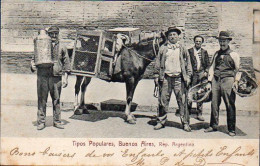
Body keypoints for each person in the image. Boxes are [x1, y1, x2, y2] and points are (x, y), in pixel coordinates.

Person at [31, 26, 71, 130]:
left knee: (56, 100)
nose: (53, 36)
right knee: (42, 99)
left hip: (56, 77)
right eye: (51, 34)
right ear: (48, 34)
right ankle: (41, 122)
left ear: (58, 34)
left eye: (55, 34)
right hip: (42, 76)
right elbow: (34, 57)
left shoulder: (62, 46)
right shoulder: (41, 43)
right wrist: (32, 65)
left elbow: (66, 62)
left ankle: (57, 121)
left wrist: (66, 77)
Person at [154, 27, 193, 132]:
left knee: (182, 101)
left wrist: (188, 76)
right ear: (167, 37)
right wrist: (156, 76)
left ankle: (185, 123)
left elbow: (188, 63)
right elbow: (157, 63)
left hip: (179, 79)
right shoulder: (163, 48)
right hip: (166, 78)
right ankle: (161, 121)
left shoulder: (182, 48)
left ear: (178, 36)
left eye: (174, 35)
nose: (172, 37)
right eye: (170, 35)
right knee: (163, 101)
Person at [204, 31, 241, 136]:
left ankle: (231, 129)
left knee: (230, 104)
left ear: (228, 41)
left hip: (228, 80)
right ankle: (213, 125)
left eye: (224, 41)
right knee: (214, 104)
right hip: (216, 80)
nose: (222, 43)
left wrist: (236, 81)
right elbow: (212, 67)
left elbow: (238, 70)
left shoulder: (234, 54)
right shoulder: (216, 54)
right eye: (220, 41)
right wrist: (209, 82)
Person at [188, 35, 210, 121]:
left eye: (199, 42)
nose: (198, 43)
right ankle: (188, 112)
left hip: (201, 75)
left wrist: (206, 71)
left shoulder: (204, 52)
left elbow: (208, 64)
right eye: (196, 41)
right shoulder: (189, 51)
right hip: (192, 75)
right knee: (190, 92)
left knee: (200, 93)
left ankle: (199, 113)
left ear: (202, 43)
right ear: (194, 42)